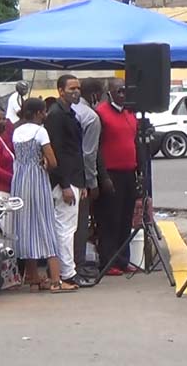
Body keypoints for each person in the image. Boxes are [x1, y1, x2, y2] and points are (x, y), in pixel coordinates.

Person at [11, 98, 78, 292]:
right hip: (37, 180)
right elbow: (53, 161)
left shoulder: (17, 131)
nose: (45, 114)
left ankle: (33, 278)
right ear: (38, 113)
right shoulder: (40, 131)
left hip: (20, 180)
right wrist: (44, 163)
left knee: (26, 227)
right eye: (43, 111)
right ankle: (56, 280)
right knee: (45, 224)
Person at [45, 75, 91, 288]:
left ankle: (67, 270)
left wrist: (81, 184)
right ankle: (67, 273)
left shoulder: (70, 114)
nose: (76, 92)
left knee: (67, 228)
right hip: (65, 179)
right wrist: (65, 185)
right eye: (72, 88)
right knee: (65, 228)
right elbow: (57, 153)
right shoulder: (56, 116)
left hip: (74, 178)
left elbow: (76, 152)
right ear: (60, 91)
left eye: (78, 88)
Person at [94, 79, 138, 276]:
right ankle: (107, 260)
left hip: (129, 173)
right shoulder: (101, 113)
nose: (123, 94)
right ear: (109, 92)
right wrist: (103, 177)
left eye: (126, 90)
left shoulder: (129, 113)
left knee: (125, 219)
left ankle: (122, 260)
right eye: (119, 91)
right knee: (109, 220)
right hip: (111, 174)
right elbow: (96, 148)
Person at [71, 78, 107, 279]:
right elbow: (89, 153)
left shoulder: (69, 112)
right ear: (94, 95)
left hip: (62, 177)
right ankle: (78, 264)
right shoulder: (91, 117)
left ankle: (68, 264)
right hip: (81, 179)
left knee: (66, 225)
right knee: (80, 223)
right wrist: (92, 183)